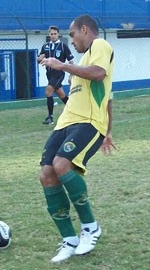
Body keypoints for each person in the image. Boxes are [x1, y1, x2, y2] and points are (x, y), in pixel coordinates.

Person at [38, 15, 115, 263]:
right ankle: (69, 239)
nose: (70, 40)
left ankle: (90, 227)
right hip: (66, 122)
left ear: (84, 29)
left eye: (72, 35)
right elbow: (109, 98)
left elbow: (99, 73)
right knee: (47, 174)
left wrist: (62, 66)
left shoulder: (100, 46)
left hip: (89, 122)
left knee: (62, 165)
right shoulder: (82, 60)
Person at [37, 26, 75, 125]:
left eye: (55, 34)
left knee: (48, 91)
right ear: (49, 35)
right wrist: (39, 59)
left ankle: (50, 118)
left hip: (58, 74)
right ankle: (75, 111)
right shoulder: (45, 46)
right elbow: (39, 59)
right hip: (49, 74)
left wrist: (71, 74)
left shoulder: (63, 46)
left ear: (58, 34)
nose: (53, 36)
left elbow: (71, 61)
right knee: (62, 95)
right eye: (51, 34)